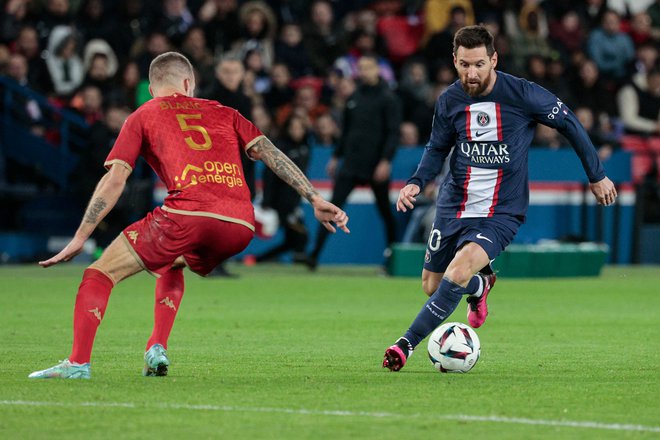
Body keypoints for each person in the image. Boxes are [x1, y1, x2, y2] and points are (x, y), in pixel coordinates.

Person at [28, 51, 349, 380]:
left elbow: (116, 180)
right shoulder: (224, 111)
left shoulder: (143, 113)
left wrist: (81, 236)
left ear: (153, 89)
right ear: (188, 83)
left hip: (188, 214)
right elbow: (269, 152)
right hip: (239, 223)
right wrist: (313, 197)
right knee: (173, 261)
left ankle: (78, 363)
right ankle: (157, 347)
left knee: (99, 274)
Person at [382, 26, 617, 372]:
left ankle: (405, 346)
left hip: (501, 211)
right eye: (463, 65)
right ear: (454, 60)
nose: (471, 73)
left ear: (494, 59)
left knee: (457, 271)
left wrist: (596, 174)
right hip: (454, 205)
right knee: (433, 286)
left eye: (478, 64)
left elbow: (569, 123)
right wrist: (416, 182)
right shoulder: (449, 100)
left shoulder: (523, 94)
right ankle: (481, 285)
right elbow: (437, 148)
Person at [306, 54, 401, 270]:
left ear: (377, 69)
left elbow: (393, 133)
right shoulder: (353, 97)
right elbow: (347, 132)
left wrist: (386, 161)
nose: (364, 72)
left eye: (368, 67)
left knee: (385, 211)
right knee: (331, 207)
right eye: (361, 68)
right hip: (351, 163)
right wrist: (335, 157)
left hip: (375, 163)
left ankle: (394, 257)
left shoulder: (388, 99)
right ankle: (313, 256)